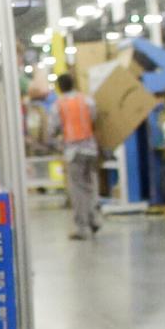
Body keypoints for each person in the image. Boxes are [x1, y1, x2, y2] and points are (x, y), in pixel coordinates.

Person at [54, 72, 102, 238]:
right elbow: (95, 118)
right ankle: (94, 219)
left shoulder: (59, 104)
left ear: (60, 87)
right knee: (91, 185)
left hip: (74, 152)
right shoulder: (87, 100)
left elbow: (53, 127)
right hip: (91, 149)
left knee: (77, 189)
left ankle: (82, 228)